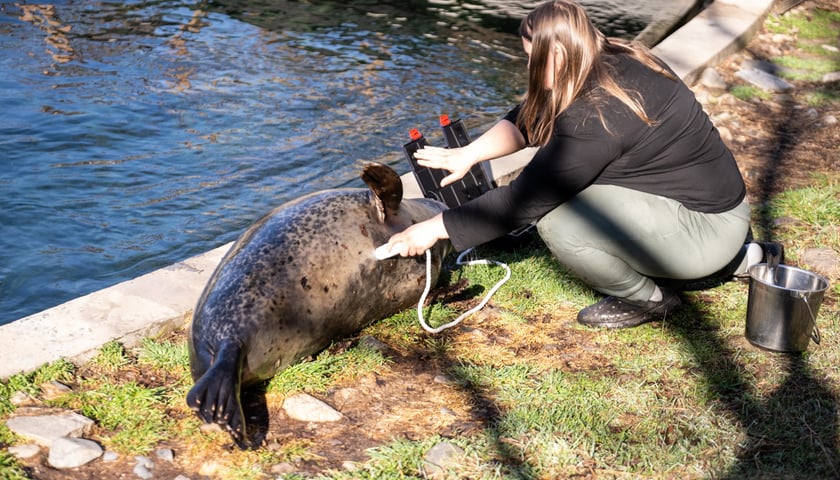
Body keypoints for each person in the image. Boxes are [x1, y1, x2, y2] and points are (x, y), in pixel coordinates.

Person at [384, 0, 782, 329]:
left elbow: (523, 201)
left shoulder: (600, 115)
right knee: (557, 188)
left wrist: (432, 230)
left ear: (556, 52)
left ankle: (651, 301)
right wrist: (470, 154)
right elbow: (529, 117)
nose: (529, 69)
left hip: (706, 227)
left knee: (558, 222)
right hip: (715, 213)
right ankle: (746, 258)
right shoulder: (609, 60)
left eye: (532, 58)